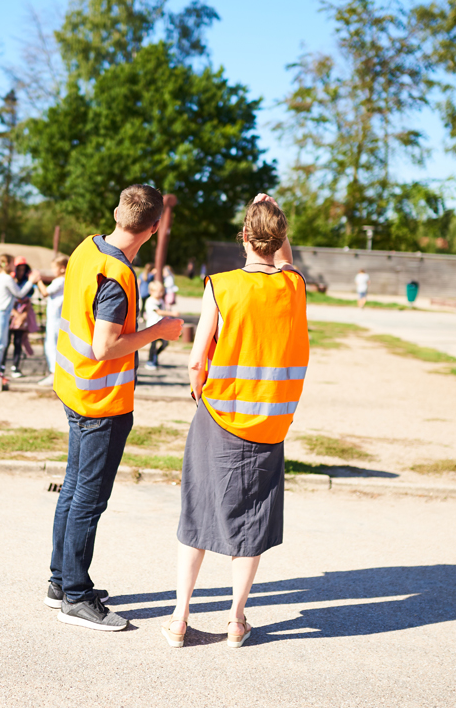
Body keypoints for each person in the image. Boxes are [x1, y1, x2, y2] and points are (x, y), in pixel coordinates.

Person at [163, 194, 309, 650]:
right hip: (268, 423)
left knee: (198, 514)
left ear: (243, 237)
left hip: (219, 417)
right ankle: (235, 620)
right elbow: (283, 261)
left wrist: (197, 389)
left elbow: (195, 359)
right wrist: (272, 210)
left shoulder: (221, 286)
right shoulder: (294, 286)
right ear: (281, 239)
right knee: (252, 521)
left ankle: (179, 619)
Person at [48, 184, 183, 632]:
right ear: (154, 227)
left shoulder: (87, 250)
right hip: (101, 402)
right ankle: (77, 597)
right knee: (88, 497)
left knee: (72, 489)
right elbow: (107, 346)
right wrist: (160, 329)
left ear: (117, 212)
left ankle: (60, 582)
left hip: (74, 389)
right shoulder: (119, 276)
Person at [0, 254, 40, 384]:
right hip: (0, 314)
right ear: (9, 264)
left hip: (3, 314)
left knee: (2, 344)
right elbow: (19, 294)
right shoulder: (6, 278)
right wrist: (31, 282)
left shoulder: (2, 277)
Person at [37, 254, 69, 386]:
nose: (52, 271)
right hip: (58, 317)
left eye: (54, 268)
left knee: (51, 345)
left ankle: (54, 373)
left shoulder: (59, 281)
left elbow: (45, 292)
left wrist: (37, 280)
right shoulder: (65, 280)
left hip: (55, 318)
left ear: (62, 268)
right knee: (55, 345)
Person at [6, 258, 35, 378]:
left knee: (18, 342)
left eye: (23, 269)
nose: (21, 272)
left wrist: (23, 315)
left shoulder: (26, 284)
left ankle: (15, 367)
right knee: (6, 342)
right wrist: (15, 313)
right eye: (19, 269)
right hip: (10, 316)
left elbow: (28, 300)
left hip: (21, 318)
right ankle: (2, 366)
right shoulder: (10, 281)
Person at [142, 280, 180, 371]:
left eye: (161, 292)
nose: (160, 294)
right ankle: (150, 361)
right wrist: (172, 313)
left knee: (165, 343)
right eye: (158, 292)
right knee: (153, 345)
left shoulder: (161, 301)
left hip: (161, 327)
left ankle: (155, 356)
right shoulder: (150, 301)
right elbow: (159, 312)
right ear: (151, 291)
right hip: (152, 326)